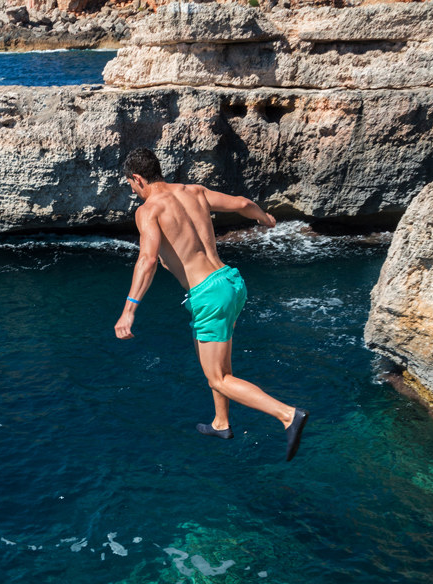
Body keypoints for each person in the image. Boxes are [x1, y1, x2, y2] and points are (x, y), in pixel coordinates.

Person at [114, 147, 309, 462]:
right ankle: (221, 422)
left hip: (207, 294)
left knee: (217, 377)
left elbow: (147, 260)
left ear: (138, 178)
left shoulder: (149, 210)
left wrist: (129, 311)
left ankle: (287, 415)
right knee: (221, 365)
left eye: (131, 185)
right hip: (231, 282)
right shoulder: (195, 191)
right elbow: (244, 204)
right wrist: (264, 218)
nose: (134, 192)